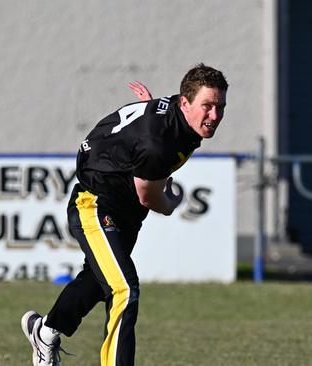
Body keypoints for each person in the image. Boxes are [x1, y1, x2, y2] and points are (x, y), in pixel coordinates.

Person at [21, 63, 228, 366]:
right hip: (95, 204)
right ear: (184, 102)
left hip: (124, 209)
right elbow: (149, 195)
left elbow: (155, 123)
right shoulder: (159, 144)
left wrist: (147, 118)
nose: (214, 116)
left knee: (96, 280)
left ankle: (46, 332)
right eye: (207, 106)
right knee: (124, 289)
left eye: (220, 107)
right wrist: (169, 204)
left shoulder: (176, 115)